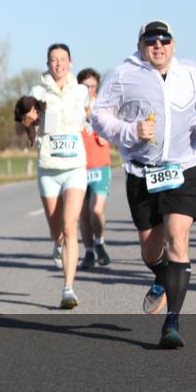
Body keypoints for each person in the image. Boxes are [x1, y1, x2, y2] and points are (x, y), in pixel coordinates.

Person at [93, 20, 196, 348]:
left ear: (173, 44)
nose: (158, 46)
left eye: (164, 40)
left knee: (178, 238)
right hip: (142, 173)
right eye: (151, 41)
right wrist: (130, 131)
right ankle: (161, 276)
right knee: (151, 249)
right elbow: (99, 115)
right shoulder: (124, 74)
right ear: (140, 45)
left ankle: (173, 323)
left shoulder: (191, 72)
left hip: (182, 169)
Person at [16, 44, 90, 309]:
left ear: (70, 62)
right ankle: (57, 243)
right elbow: (25, 125)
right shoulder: (37, 92)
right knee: (55, 228)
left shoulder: (81, 92)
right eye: (53, 60)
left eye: (62, 59)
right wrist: (28, 120)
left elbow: (90, 119)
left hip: (75, 167)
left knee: (71, 225)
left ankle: (68, 288)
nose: (58, 64)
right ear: (48, 64)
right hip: (48, 167)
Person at [77, 68, 113, 269]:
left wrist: (104, 134)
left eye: (92, 86)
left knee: (96, 209)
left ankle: (99, 242)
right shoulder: (74, 105)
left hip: (100, 164)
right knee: (83, 215)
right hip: (79, 166)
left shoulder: (104, 104)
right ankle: (89, 251)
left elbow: (114, 129)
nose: (89, 90)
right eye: (85, 86)